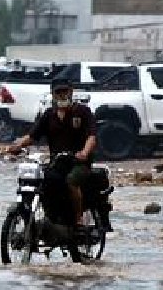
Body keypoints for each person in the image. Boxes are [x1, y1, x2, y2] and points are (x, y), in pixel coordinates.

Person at [8, 77, 98, 226]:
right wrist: (17, 146)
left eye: (65, 92)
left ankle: (78, 217)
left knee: (72, 181)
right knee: (45, 182)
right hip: (57, 162)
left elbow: (92, 137)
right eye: (58, 92)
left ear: (71, 92)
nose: (62, 95)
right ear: (53, 95)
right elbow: (32, 136)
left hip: (79, 163)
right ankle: (52, 216)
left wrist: (84, 152)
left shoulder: (83, 112)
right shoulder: (49, 114)